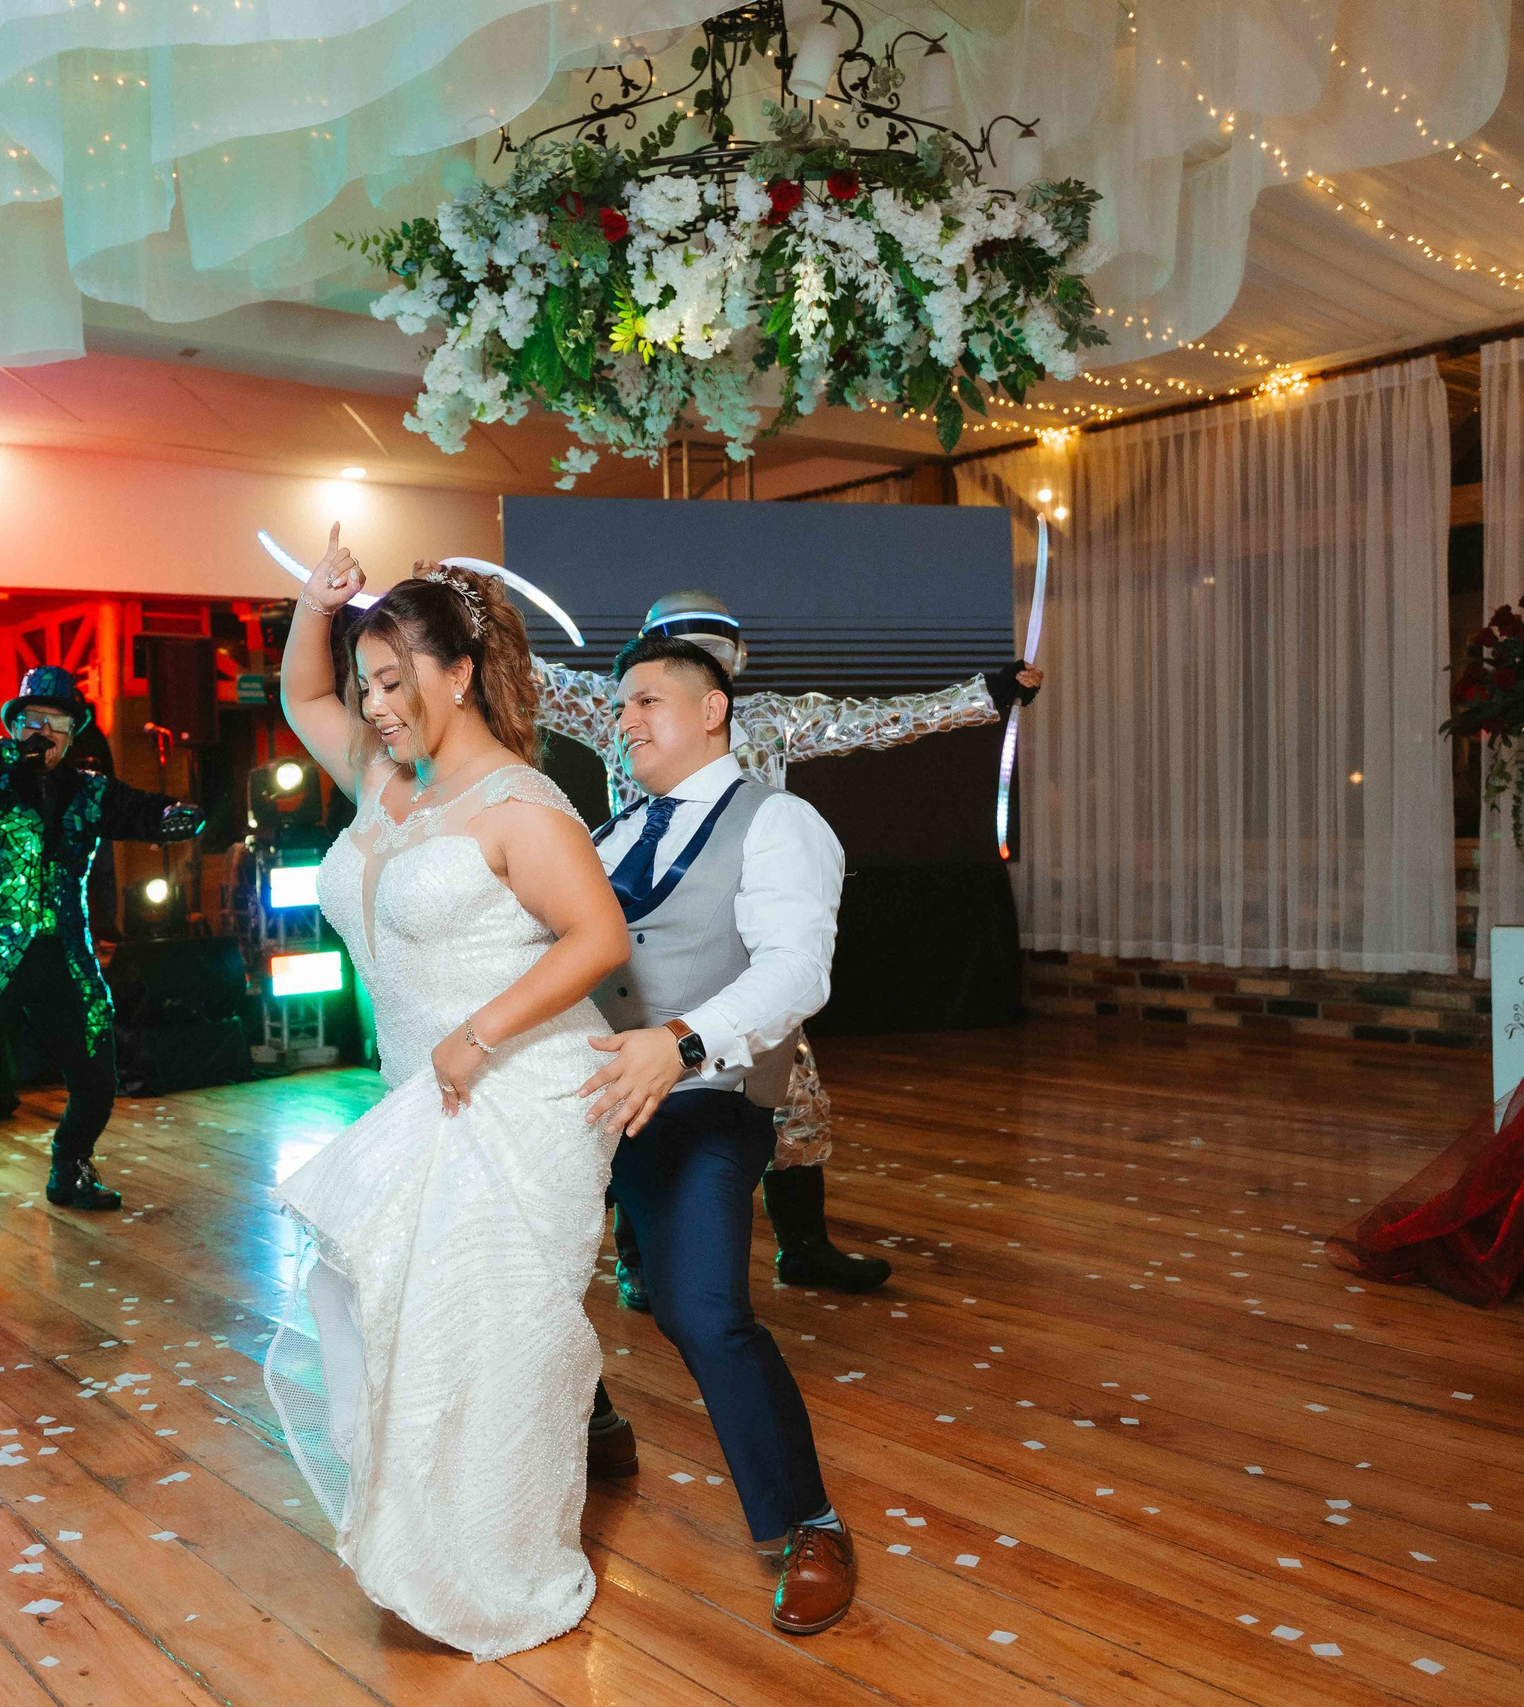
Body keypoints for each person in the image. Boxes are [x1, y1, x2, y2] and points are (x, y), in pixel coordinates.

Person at [261, 529, 631, 1661]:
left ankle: (503, 1566)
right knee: (395, 1323)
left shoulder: (517, 802)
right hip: (419, 1095)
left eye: (393, 681)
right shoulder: (385, 782)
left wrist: (479, 1036)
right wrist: (316, 606)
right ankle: (425, 1549)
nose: (373, 706)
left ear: (459, 674)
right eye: (367, 684)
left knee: (492, 1338)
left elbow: (598, 938)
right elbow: (301, 695)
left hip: (519, 1090)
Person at [537, 593, 1042, 1303]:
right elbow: (524, 677)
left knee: (797, 1098)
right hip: (647, 953)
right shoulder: (616, 706)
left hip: (751, 940)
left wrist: (983, 696)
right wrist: (447, 614)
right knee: (630, 1098)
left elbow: (879, 721)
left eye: (716, 643)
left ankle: (803, 1247)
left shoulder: (772, 718)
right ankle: (641, 1261)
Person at [574, 629, 865, 1636]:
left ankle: (807, 1525)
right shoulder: (609, 833)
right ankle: (596, 1423)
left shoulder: (778, 822)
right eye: (620, 705)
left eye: (647, 701)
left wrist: (681, 1043)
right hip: (587, 1096)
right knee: (519, 1277)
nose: (625, 721)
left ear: (711, 710)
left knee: (699, 1310)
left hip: (704, 1100)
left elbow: (797, 972)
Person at [0, 667, 204, 1263]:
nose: (42, 731)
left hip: (64, 957)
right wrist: (10, 753)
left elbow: (144, 811)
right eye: (31, 719)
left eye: (56, 723)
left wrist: (182, 815)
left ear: (74, 735)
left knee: (97, 1079)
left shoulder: (90, 791)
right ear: (13, 725)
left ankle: (70, 1166)